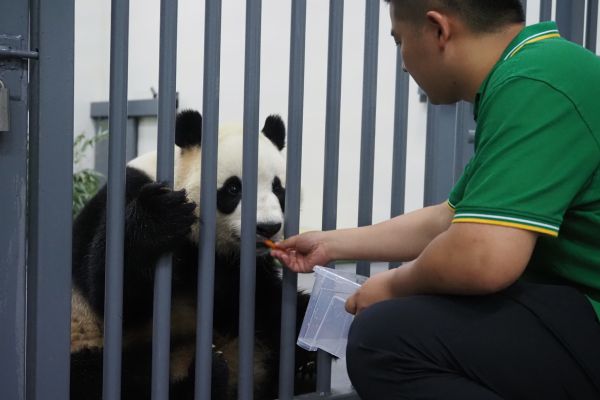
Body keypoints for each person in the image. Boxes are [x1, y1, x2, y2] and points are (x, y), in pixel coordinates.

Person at [271, 1, 600, 399]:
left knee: (384, 338)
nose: (404, 63)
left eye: (400, 41)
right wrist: (331, 243)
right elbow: (450, 219)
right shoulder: (538, 69)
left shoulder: (536, 82)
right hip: (574, 309)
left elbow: (482, 257)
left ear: (438, 30)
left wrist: (392, 286)